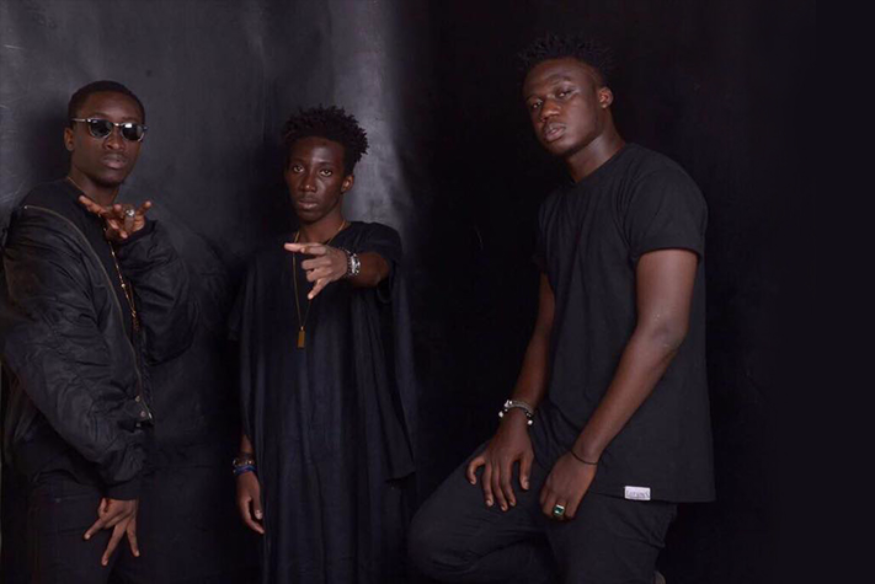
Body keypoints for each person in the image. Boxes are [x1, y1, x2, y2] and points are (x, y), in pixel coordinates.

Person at [409, 35, 714, 584]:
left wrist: (585, 456)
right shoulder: (555, 210)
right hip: (553, 436)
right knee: (435, 545)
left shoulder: (656, 185)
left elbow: (664, 330)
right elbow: (546, 330)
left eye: (563, 93)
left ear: (603, 97)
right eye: (535, 104)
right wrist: (515, 419)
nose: (547, 110)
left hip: (630, 448)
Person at [0, 80, 196, 582]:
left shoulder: (119, 227)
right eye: (100, 126)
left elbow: (172, 336)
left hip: (113, 461)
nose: (116, 141)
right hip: (69, 467)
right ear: (70, 137)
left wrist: (142, 246)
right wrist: (122, 471)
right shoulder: (46, 220)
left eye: (130, 130)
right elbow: (60, 362)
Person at [230, 105, 417, 583]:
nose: (309, 183)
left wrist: (344, 265)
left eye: (325, 172)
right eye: (298, 168)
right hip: (285, 452)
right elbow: (251, 368)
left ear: (346, 182)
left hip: (360, 448)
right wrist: (245, 463)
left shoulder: (373, 240)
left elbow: (377, 269)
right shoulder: (264, 264)